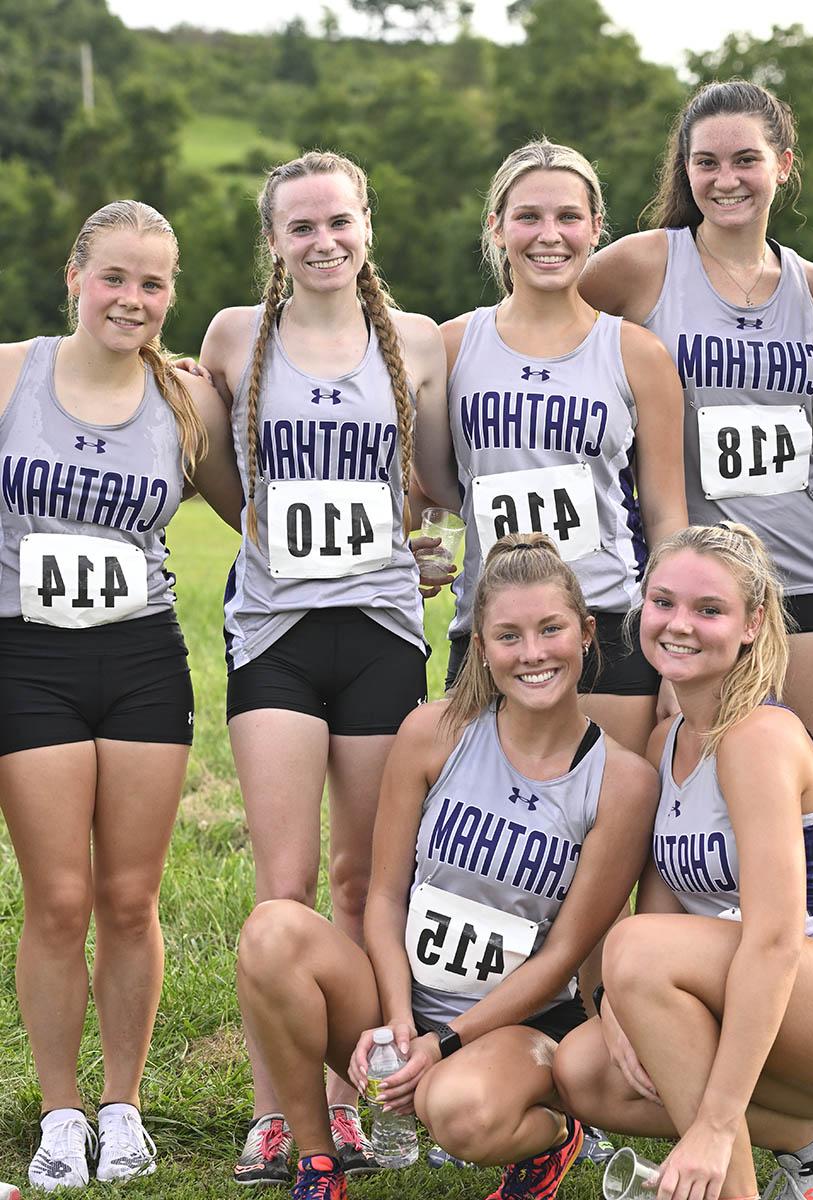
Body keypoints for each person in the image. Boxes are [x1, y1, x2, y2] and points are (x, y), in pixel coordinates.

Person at [236, 533, 659, 1200]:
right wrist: (401, 1022)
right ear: (482, 648)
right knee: (271, 931)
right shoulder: (434, 734)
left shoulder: (624, 783)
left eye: (550, 630)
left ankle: (553, 1139)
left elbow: (564, 958)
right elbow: (384, 897)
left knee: (459, 1113)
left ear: (585, 632)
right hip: (406, 1000)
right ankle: (319, 1161)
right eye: (509, 636)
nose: (532, 654)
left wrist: (448, 1043)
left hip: (518, 1023)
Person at [553, 523, 813, 1200]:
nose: (680, 625)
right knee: (586, 1069)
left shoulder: (759, 738)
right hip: (777, 994)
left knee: (638, 954)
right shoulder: (664, 742)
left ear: (751, 624)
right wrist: (624, 1014)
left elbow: (771, 942)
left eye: (709, 610)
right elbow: (663, 920)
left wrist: (713, 1122)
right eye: (664, 603)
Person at [198, 150, 451, 1184]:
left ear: (367, 226)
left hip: (384, 633)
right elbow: (216, 465)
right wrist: (261, 531)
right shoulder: (232, 337)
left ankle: (347, 1102)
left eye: (338, 222)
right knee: (283, 886)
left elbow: (429, 481)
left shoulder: (418, 341)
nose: (322, 242)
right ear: (274, 241)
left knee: (363, 879)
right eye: (300, 227)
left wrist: (418, 544)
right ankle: (277, 1111)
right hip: (275, 639)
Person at [0, 200, 242, 1190]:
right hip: (28, 659)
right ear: (75, 278)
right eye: (115, 278)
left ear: (169, 295)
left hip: (141, 658)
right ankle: (60, 1115)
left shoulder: (189, 400)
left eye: (151, 283)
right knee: (58, 899)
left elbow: (260, 518)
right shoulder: (13, 373)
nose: (131, 299)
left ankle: (125, 1109)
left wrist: (399, 554)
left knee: (131, 896)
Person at [579, 81, 813, 771]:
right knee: (684, 798)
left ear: (782, 165)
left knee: (800, 791)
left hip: (806, 574)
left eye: (745, 160)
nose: (725, 179)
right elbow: (541, 337)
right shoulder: (644, 265)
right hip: (696, 587)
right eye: (706, 163)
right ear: (686, 169)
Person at [432, 138, 689, 757]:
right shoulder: (448, 347)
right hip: (490, 624)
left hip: (607, 622)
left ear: (596, 228)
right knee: (489, 836)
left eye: (569, 217)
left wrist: (674, 652)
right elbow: (428, 490)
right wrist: (422, 541)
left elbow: (665, 516)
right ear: (496, 228)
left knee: (612, 827)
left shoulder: (637, 353)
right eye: (529, 216)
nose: (550, 234)